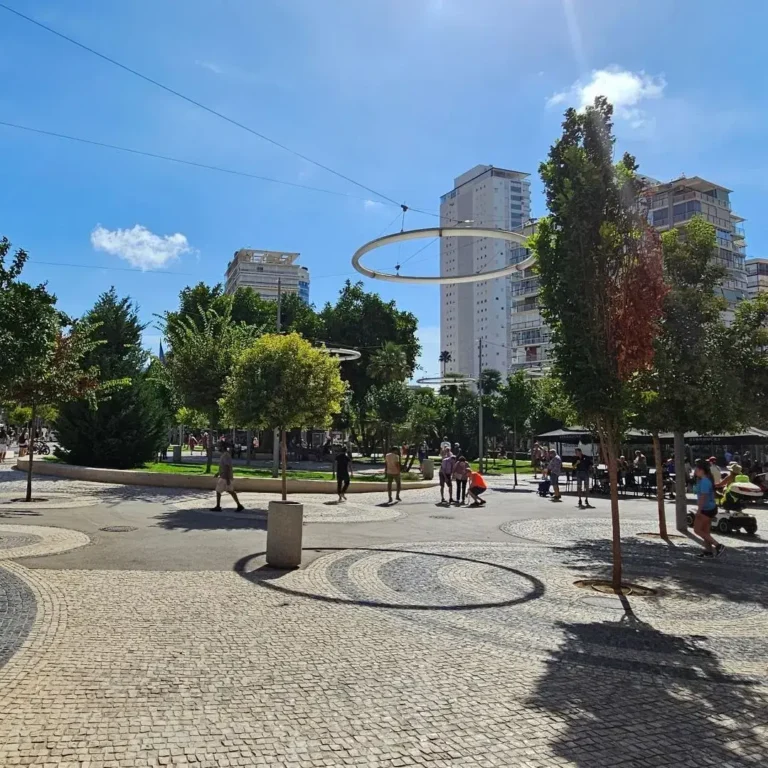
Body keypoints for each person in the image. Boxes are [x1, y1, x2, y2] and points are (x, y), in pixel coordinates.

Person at [693, 458, 724, 558]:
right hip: (710, 508)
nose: (695, 471)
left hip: (706, 509)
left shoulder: (705, 481)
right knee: (705, 532)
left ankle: (718, 546)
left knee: (697, 530)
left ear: (701, 470)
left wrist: (698, 511)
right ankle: (708, 551)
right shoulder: (705, 480)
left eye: (696, 469)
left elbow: (703, 497)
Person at [211, 444, 245, 512]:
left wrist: (227, 479)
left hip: (224, 477)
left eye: (219, 447)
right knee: (231, 491)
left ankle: (218, 506)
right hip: (224, 476)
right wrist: (218, 473)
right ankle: (239, 505)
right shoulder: (224, 455)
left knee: (218, 491)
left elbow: (227, 467)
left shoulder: (226, 455)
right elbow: (223, 467)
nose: (218, 448)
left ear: (223, 448)